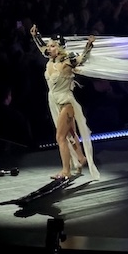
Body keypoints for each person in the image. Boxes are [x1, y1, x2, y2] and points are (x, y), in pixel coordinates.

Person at [31, 25, 100, 181]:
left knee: (60, 137)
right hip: (53, 101)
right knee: (70, 134)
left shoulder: (68, 61)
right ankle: (80, 158)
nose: (48, 48)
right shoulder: (50, 59)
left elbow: (83, 58)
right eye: (49, 46)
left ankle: (66, 170)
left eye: (52, 46)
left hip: (65, 102)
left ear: (59, 47)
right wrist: (36, 35)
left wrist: (89, 45)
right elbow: (42, 46)